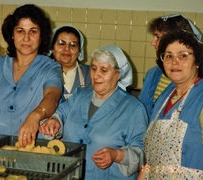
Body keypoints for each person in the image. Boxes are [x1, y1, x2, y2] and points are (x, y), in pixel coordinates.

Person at [39, 46, 148, 179]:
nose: (96, 75)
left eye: (104, 70)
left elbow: (142, 153)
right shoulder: (80, 95)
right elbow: (61, 113)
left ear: (118, 74)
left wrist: (116, 155)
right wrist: (54, 122)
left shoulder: (133, 108)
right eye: (94, 68)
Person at [0, 4, 63, 147]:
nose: (26, 38)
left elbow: (52, 97)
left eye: (33, 31)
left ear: (41, 36)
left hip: (33, 149)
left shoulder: (50, 67)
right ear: (12, 35)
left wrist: (34, 116)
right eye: (20, 31)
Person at [139, 30, 203, 179]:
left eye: (183, 55)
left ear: (197, 60)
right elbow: (152, 160)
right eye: (169, 56)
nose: (174, 62)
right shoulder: (164, 98)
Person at [138, 14, 203, 116]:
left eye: (158, 37)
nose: (153, 42)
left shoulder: (202, 83)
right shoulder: (153, 73)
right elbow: (142, 110)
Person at [49, 25, 91, 100]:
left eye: (73, 45)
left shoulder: (91, 74)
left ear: (79, 51)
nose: (67, 49)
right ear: (52, 48)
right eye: (61, 43)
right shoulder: (42, 73)